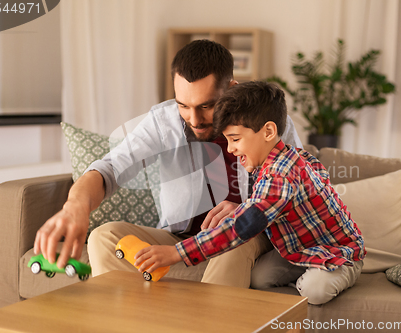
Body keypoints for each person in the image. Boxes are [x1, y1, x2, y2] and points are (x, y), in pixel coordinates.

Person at [33, 40, 303, 288]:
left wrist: (247, 210)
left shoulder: (269, 124)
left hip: (249, 238)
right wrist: (75, 207)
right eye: (183, 105)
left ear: (231, 89)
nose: (194, 119)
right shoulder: (163, 123)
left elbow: (300, 191)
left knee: (235, 234)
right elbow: (110, 168)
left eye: (207, 106)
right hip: (182, 241)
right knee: (104, 237)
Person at [135, 81, 366, 304]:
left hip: (337, 251)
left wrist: (177, 253)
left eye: (235, 139)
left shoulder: (281, 175)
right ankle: (306, 274)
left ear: (268, 132)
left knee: (314, 290)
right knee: (259, 279)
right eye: (227, 140)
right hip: (298, 249)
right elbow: (265, 203)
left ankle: (339, 272)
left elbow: (242, 226)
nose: (230, 149)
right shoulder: (280, 159)